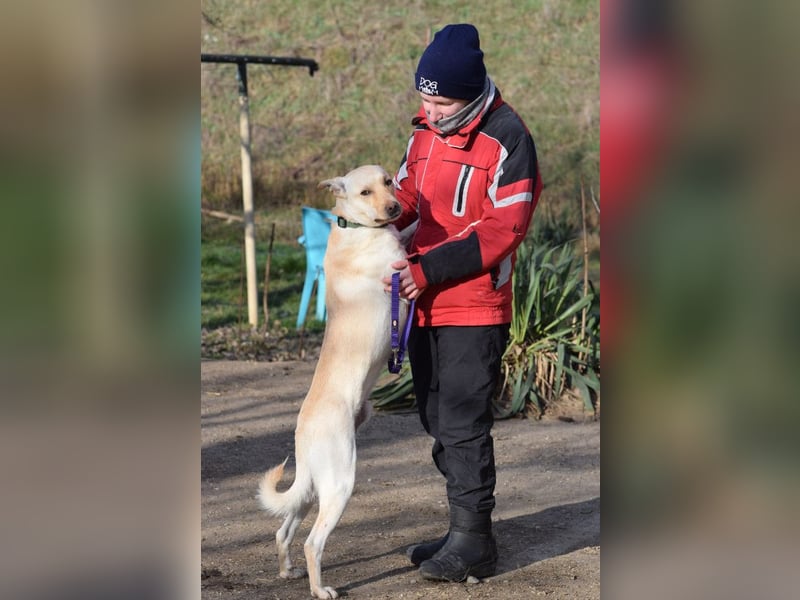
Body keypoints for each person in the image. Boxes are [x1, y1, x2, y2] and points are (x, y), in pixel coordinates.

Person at [383, 23, 543, 583]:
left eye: (442, 102)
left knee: (462, 421)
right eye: (424, 99)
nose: (430, 111)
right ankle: (460, 529)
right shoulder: (424, 133)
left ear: (471, 94)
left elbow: (504, 228)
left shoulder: (508, 138)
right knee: (435, 415)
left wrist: (427, 268)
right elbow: (408, 197)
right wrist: (376, 220)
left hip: (474, 305)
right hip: (423, 299)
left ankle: (475, 542)